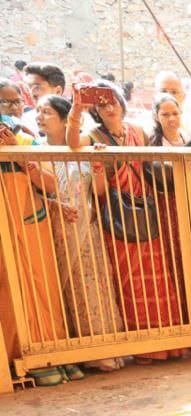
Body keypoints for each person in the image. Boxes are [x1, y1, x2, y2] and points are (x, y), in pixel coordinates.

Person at [67, 79, 186, 363]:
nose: (109, 107)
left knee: (159, 277)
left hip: (146, 211)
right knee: (130, 282)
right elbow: (72, 144)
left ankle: (170, 344)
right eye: (102, 103)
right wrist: (77, 108)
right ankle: (145, 347)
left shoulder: (137, 130)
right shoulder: (94, 134)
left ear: (121, 102)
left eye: (112, 101)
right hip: (118, 217)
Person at [34, 94, 126, 372]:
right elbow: (35, 193)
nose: (39, 116)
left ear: (65, 119)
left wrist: (97, 166)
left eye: (47, 111)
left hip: (88, 230)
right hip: (54, 233)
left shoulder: (83, 147)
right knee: (66, 293)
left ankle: (106, 350)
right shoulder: (34, 151)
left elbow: (97, 193)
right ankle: (77, 353)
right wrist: (55, 207)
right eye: (37, 111)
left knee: (94, 289)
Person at [0, 83, 70, 378]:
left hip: (31, 224)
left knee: (42, 287)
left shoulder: (26, 141)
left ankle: (50, 355)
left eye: (17, 102)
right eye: (6, 103)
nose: (14, 109)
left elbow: (53, 184)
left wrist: (20, 159)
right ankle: (14, 360)